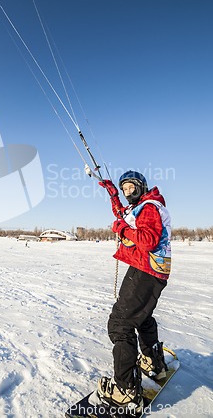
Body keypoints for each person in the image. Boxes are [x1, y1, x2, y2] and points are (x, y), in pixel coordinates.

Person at [97, 170, 171, 412]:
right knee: (141, 317)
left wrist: (121, 230)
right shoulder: (142, 206)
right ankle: (153, 362)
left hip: (145, 271)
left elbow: (147, 239)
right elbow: (123, 215)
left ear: (142, 187)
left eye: (131, 188)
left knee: (120, 324)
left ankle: (126, 391)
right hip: (151, 272)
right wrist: (113, 195)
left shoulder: (149, 207)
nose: (128, 192)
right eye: (124, 189)